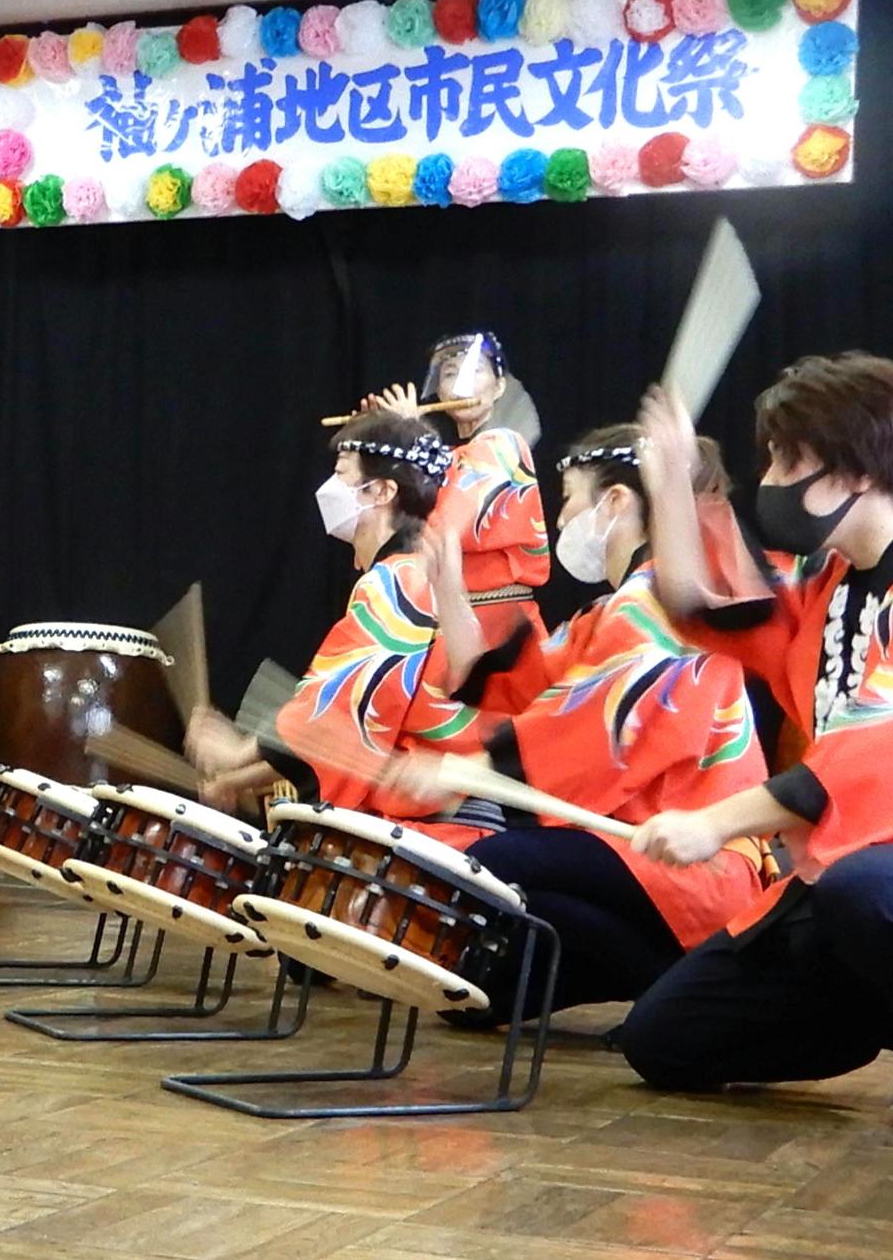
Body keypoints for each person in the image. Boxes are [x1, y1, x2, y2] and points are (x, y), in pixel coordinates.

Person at [388, 423, 770, 1024]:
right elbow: (519, 686)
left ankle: (693, 967)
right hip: (634, 853)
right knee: (488, 981)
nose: (562, 516)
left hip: (688, 858)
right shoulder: (613, 610)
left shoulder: (658, 609)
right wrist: (451, 587)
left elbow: (596, 729)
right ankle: (673, 976)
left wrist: (469, 767)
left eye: (569, 496)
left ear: (616, 502)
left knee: (486, 866)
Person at [617, 356, 893, 1089]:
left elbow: (868, 756)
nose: (769, 479)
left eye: (788, 458)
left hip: (874, 875)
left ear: (857, 471)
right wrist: (671, 482)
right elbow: (700, 604)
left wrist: (715, 823)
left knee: (863, 893)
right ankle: (860, 1012)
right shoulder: (826, 587)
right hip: (830, 874)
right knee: (665, 1041)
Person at [189, 411, 493, 847]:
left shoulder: (396, 582)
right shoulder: (412, 576)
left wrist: (240, 754)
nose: (329, 489)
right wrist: (239, 780)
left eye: (341, 474)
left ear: (382, 491)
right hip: (434, 817)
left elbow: (341, 710)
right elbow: (355, 735)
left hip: (436, 829)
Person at [367, 331, 549, 644]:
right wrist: (378, 435)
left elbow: (447, 526)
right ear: (438, 389)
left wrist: (410, 432)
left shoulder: (505, 445)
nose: (461, 384)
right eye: (450, 374)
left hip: (498, 630)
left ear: (500, 386)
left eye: (475, 370)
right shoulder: (446, 455)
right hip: (452, 622)